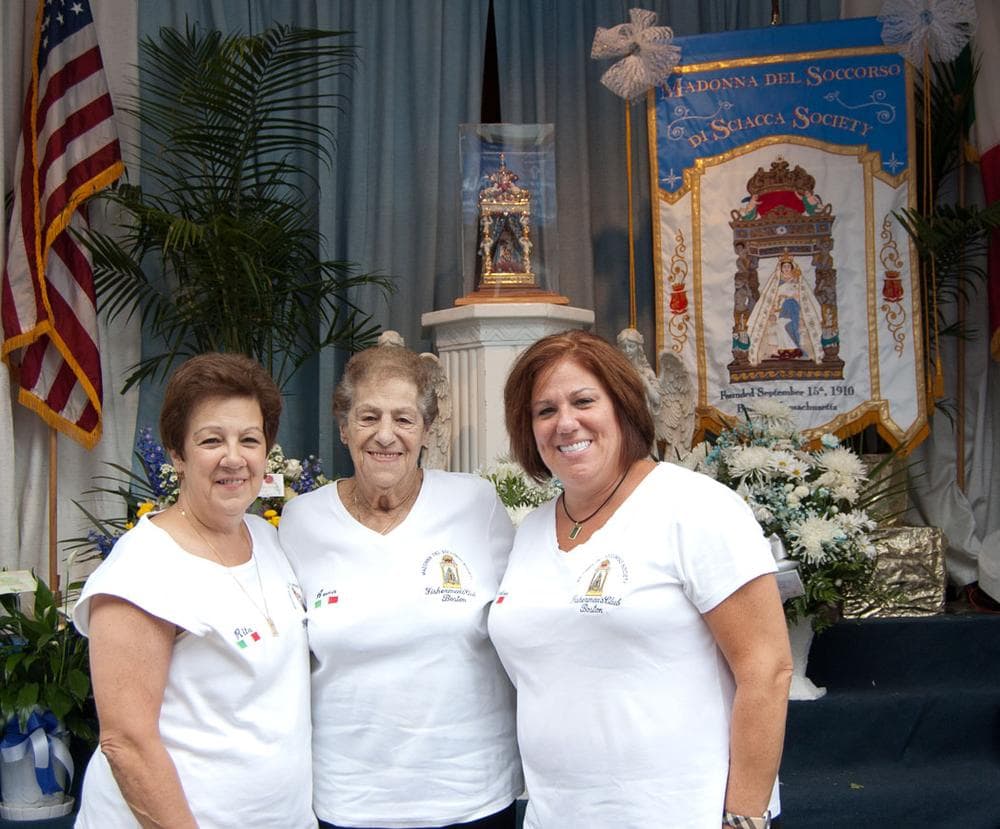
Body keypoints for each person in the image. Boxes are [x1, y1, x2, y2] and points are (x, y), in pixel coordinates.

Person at [489, 330, 792, 829]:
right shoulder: (532, 530)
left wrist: (743, 818)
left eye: (584, 401)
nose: (565, 423)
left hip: (685, 814)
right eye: (544, 411)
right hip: (560, 815)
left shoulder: (695, 507)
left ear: (623, 407)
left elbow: (768, 669)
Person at [278, 345, 521, 829]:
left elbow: (525, 624)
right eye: (368, 416)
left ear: (426, 430)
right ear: (344, 427)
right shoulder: (300, 520)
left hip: (471, 795)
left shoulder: (477, 504)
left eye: (404, 419)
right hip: (348, 799)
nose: (386, 435)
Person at [73, 353, 313, 828]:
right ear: (177, 455)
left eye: (249, 439)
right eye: (211, 440)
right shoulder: (143, 567)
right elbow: (126, 742)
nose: (234, 458)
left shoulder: (264, 537)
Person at [746, 253, 824, 364]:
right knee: (779, 329)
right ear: (781, 268)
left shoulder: (797, 280)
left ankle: (794, 349)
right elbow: (771, 298)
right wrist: (773, 310)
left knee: (790, 327)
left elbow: (802, 296)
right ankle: (782, 350)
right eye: (784, 267)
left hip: (793, 309)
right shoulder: (776, 282)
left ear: (792, 267)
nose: (786, 269)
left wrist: (792, 298)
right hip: (779, 311)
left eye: (788, 266)